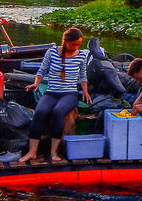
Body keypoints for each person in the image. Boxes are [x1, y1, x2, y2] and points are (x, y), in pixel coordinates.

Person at [19, 27, 92, 164]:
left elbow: (83, 75)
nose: (76, 47)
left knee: (58, 112)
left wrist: (85, 91)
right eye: (73, 44)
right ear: (65, 42)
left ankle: (54, 151)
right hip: (52, 92)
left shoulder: (82, 55)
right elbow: (42, 70)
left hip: (69, 94)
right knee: (40, 112)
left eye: (78, 44)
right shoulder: (52, 52)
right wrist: (36, 83)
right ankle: (32, 151)